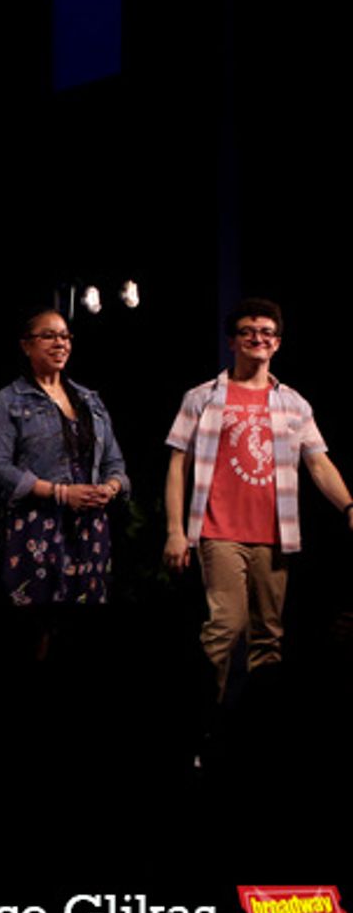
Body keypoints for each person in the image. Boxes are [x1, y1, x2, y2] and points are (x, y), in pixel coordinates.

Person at [164, 297, 353, 702]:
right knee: (224, 628)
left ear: (277, 343)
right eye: (247, 332)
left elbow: (319, 465)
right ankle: (202, 728)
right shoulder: (202, 398)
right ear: (232, 341)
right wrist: (174, 531)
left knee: (268, 638)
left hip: (274, 534)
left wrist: (349, 506)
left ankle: (260, 734)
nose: (257, 339)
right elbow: (178, 465)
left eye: (266, 333)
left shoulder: (294, 404)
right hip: (218, 531)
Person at [0, 309, 128, 605]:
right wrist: (59, 493)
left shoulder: (90, 400)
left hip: (89, 529)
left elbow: (116, 464)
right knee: (37, 629)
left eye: (64, 336)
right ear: (27, 345)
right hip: (35, 528)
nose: (59, 343)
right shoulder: (8, 400)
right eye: (48, 336)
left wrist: (110, 488)